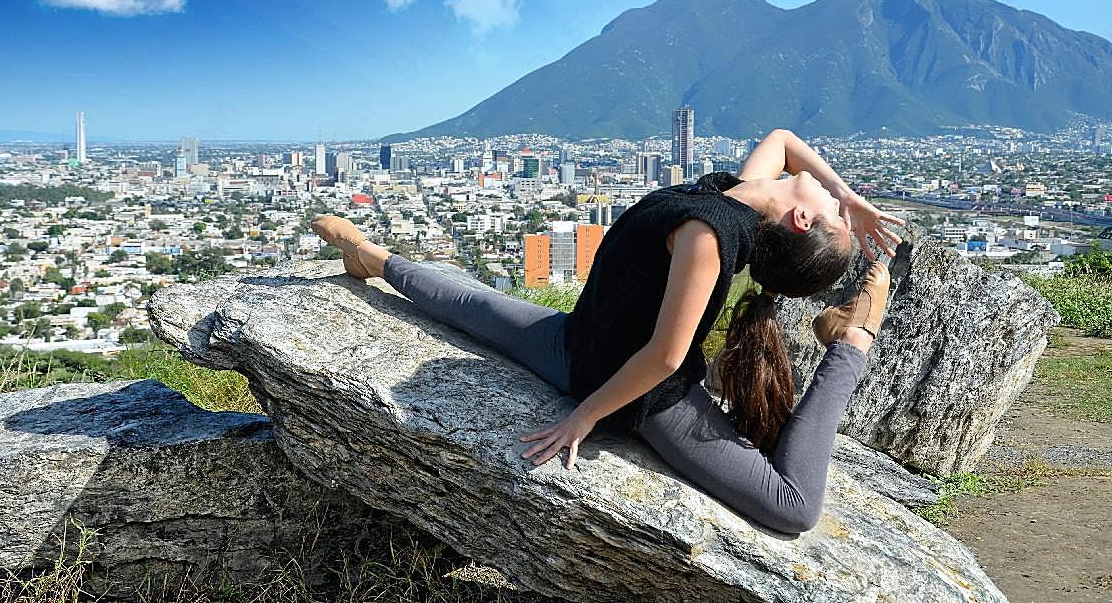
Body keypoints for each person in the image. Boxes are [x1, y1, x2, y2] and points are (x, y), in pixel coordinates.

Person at [311, 128, 904, 534]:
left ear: (800, 218)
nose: (835, 198)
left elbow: (666, 357)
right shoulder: (731, 204)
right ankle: (852, 340)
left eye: (833, 209)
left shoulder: (713, 223)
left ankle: (374, 258)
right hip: (613, 377)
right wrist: (851, 201)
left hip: (586, 353)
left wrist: (584, 415)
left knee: (475, 306)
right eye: (839, 208)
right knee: (794, 509)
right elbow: (782, 140)